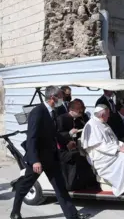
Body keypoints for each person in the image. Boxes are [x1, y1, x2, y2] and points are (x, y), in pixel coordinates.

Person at [11, 86, 89, 219]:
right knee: (25, 186)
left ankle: (73, 216)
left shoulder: (52, 111)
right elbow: (32, 137)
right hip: (39, 159)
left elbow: (54, 133)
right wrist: (35, 160)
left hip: (52, 158)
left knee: (60, 187)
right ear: (53, 98)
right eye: (61, 96)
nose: (63, 99)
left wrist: (66, 142)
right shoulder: (38, 112)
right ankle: (15, 212)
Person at [80, 104, 124, 196]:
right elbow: (100, 146)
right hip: (100, 155)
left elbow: (113, 140)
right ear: (102, 115)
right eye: (108, 114)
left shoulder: (103, 123)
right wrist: (119, 148)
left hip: (110, 149)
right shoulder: (91, 125)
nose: (109, 116)